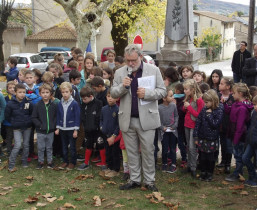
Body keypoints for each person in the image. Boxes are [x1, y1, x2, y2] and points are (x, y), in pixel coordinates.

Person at [111, 44, 166, 191]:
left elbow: (162, 91)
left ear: (141, 57)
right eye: (128, 60)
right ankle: (134, 179)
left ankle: (149, 181)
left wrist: (147, 94)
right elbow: (113, 93)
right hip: (127, 119)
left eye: (133, 60)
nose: (130, 63)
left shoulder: (153, 70)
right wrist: (123, 87)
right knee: (131, 151)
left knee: (148, 150)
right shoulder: (120, 72)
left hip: (147, 119)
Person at [225, 83, 253, 182]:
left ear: (240, 94)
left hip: (239, 136)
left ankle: (237, 173)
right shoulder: (235, 104)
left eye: (234, 93)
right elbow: (228, 111)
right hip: (233, 133)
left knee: (238, 155)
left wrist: (236, 139)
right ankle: (238, 171)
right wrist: (226, 103)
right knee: (236, 153)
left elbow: (240, 126)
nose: (232, 94)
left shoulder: (242, 108)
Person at [193, 89, 224, 181]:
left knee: (210, 157)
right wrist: (196, 135)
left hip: (212, 138)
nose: (205, 104)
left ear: (213, 101)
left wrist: (209, 115)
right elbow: (198, 122)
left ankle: (209, 173)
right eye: (204, 102)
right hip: (202, 137)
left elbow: (215, 124)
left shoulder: (219, 110)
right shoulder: (204, 109)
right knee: (202, 156)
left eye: (207, 102)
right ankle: (203, 172)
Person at [5, 84, 33, 172]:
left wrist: (29, 121)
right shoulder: (10, 103)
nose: (22, 94)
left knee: (26, 145)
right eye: (20, 92)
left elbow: (32, 113)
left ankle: (24, 161)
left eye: (23, 92)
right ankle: (11, 163)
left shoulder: (28, 102)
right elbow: (7, 115)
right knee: (17, 145)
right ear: (15, 92)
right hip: (16, 128)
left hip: (27, 127)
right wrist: (13, 122)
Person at [55, 82, 80, 170]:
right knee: (64, 146)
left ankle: (73, 162)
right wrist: (58, 127)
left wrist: (76, 130)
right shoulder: (60, 103)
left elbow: (77, 117)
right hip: (62, 128)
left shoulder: (74, 103)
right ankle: (65, 161)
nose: (65, 94)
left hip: (71, 128)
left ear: (70, 92)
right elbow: (58, 115)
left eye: (66, 92)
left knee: (72, 147)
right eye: (63, 92)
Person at [32, 83, 57, 169]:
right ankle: (41, 162)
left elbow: (55, 117)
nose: (45, 94)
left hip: (50, 131)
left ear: (50, 93)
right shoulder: (37, 105)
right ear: (40, 94)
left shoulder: (53, 105)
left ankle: (50, 162)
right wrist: (40, 125)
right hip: (40, 131)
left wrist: (54, 126)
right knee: (41, 147)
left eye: (47, 92)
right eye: (43, 92)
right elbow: (34, 117)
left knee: (49, 147)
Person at [183, 79, 205, 178]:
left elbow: (199, 115)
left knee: (192, 147)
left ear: (192, 89)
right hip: (186, 125)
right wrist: (185, 105)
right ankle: (189, 165)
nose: (184, 91)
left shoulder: (199, 100)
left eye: (186, 89)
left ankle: (193, 167)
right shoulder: (189, 98)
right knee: (188, 146)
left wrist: (189, 107)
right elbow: (184, 110)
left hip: (194, 126)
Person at [77, 86, 103, 170]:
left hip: (97, 130)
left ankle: (103, 162)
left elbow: (99, 116)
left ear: (91, 96)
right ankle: (86, 162)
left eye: (85, 99)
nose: (83, 101)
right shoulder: (83, 105)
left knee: (100, 145)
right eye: (82, 99)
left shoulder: (98, 103)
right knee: (88, 146)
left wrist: (97, 126)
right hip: (88, 130)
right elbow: (82, 116)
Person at [99, 90, 120, 178]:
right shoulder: (104, 109)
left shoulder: (118, 109)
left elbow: (119, 124)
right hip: (105, 135)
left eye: (112, 96)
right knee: (108, 152)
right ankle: (109, 167)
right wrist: (101, 128)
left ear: (117, 98)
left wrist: (114, 135)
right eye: (108, 96)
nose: (110, 98)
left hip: (114, 137)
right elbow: (101, 120)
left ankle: (116, 169)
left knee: (114, 153)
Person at [217, 77, 234, 173]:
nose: (220, 85)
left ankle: (228, 164)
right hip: (219, 126)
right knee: (222, 144)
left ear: (228, 86)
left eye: (222, 84)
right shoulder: (218, 95)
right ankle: (223, 161)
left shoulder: (232, 98)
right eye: (220, 83)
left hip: (229, 126)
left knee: (228, 145)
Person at [159, 89, 178, 173]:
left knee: (173, 148)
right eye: (170, 96)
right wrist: (162, 127)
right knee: (165, 148)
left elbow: (176, 116)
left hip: (173, 131)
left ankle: (173, 164)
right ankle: (164, 163)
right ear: (164, 98)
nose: (173, 97)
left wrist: (174, 126)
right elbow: (157, 120)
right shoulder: (159, 107)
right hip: (164, 132)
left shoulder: (173, 106)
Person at [242, 95, 257, 187]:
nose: (255, 107)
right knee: (245, 158)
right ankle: (252, 176)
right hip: (251, 141)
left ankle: (255, 180)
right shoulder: (254, 113)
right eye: (254, 104)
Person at [173, 83, 187, 167]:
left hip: (179, 125)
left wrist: (174, 106)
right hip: (181, 125)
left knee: (181, 143)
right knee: (181, 143)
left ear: (177, 90)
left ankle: (184, 158)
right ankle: (183, 158)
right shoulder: (183, 98)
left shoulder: (181, 100)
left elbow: (180, 112)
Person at [2, 81, 15, 155]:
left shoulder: (18, 98)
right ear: (7, 89)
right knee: (9, 136)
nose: (12, 89)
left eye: (13, 87)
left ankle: (16, 149)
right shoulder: (5, 99)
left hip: (16, 121)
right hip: (8, 122)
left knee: (16, 137)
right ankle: (9, 149)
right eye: (10, 88)